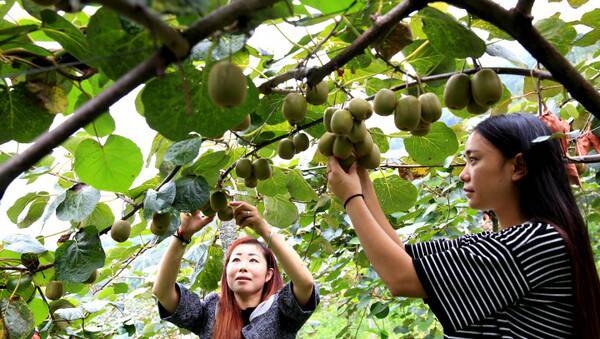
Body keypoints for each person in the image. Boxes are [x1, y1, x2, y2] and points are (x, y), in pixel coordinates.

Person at [327, 113, 600, 338]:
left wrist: (351, 199)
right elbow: (402, 257)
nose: (463, 173)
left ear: (517, 166)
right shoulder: (507, 241)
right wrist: (362, 179)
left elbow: (401, 279)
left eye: (474, 159)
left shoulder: (535, 242)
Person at [152, 200, 319, 339]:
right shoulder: (209, 312)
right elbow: (163, 292)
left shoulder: (281, 310)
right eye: (236, 260)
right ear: (226, 272)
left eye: (253, 260)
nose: (242, 267)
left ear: (268, 275)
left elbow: (304, 283)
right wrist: (182, 235)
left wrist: (263, 229)